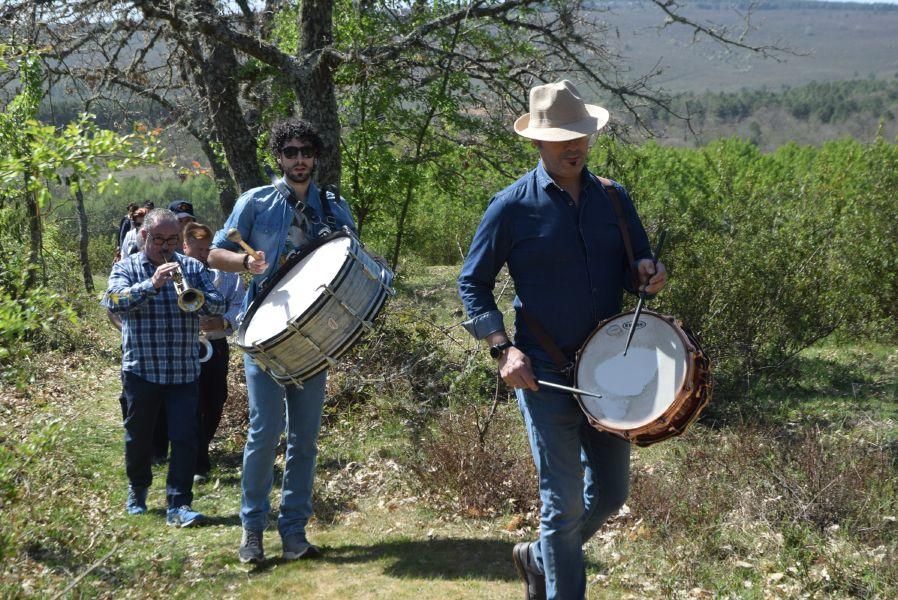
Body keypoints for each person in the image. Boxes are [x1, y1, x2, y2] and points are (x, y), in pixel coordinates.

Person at [457, 80, 668, 600]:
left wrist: (648, 272)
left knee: (613, 494)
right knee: (563, 502)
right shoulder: (510, 207)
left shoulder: (614, 200)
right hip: (545, 374)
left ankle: (537, 556)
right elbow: (472, 282)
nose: (573, 146)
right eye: (561, 137)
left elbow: (633, 267)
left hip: (612, 371)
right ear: (538, 142)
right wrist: (502, 348)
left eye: (581, 135)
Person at [208, 119, 355, 564]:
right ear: (279, 157)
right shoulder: (254, 201)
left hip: (314, 337)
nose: (299, 160)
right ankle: (252, 531)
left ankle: (294, 532)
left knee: (305, 439)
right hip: (263, 332)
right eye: (290, 152)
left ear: (316, 156)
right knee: (263, 432)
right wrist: (244, 262)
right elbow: (215, 251)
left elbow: (350, 253)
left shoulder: (332, 205)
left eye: (306, 151)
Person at [102, 208, 226, 527]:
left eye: (173, 239)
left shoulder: (193, 267)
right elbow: (113, 302)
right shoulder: (127, 268)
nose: (166, 246)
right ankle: (138, 489)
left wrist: (197, 297)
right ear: (144, 236)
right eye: (160, 239)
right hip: (141, 368)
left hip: (183, 370)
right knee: (138, 436)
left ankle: (179, 504)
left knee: (185, 437)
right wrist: (152, 284)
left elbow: (218, 302)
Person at [180, 221, 245, 482]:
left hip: (216, 344)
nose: (203, 255)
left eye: (208, 249)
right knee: (191, 403)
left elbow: (241, 303)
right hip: (185, 345)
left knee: (216, 399)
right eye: (197, 249)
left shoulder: (228, 274)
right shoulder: (176, 271)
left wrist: (225, 321)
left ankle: (200, 447)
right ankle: (197, 462)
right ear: (185, 246)